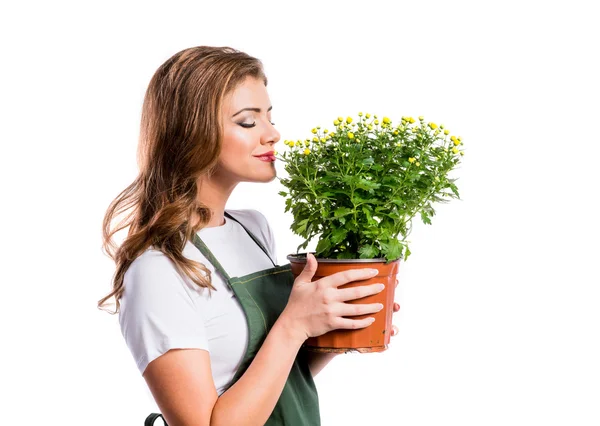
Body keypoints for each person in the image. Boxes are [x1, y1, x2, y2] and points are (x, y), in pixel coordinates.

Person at [98, 45, 398, 426]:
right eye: (247, 121)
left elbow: (274, 379)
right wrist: (294, 325)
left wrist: (334, 325)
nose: (272, 134)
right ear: (192, 133)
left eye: (269, 117)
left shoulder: (251, 228)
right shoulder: (159, 269)